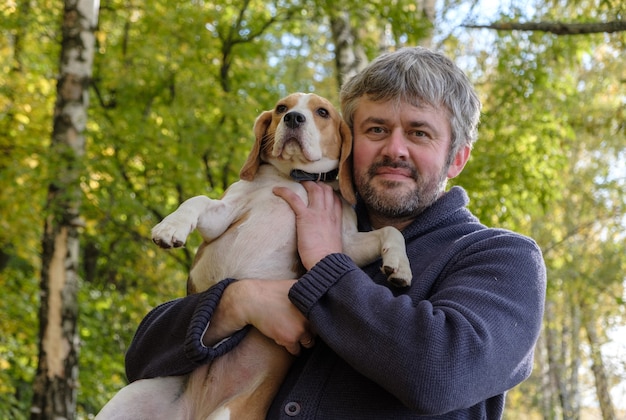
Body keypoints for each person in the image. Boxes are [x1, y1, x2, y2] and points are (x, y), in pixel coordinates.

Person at [126, 46, 546, 419]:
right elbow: (141, 358)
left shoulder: (502, 257)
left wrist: (328, 263)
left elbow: (440, 375)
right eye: (376, 130)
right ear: (347, 143)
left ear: (456, 159)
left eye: (419, 133)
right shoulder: (286, 215)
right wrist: (234, 303)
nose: (394, 149)